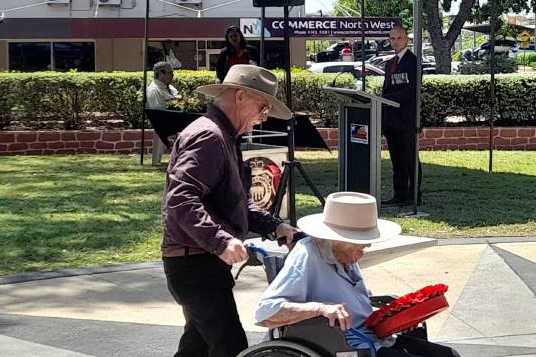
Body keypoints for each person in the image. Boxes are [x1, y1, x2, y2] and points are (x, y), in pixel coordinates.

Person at [161, 64, 299, 357]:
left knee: (198, 348)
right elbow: (180, 199)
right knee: (230, 347)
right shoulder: (209, 136)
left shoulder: (224, 136)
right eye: (263, 106)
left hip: (201, 263)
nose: (264, 116)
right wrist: (221, 241)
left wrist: (274, 227)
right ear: (240, 96)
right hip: (195, 265)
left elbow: (235, 201)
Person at [255, 192, 458, 357]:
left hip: (375, 337)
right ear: (337, 239)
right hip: (348, 345)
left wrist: (398, 314)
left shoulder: (344, 255)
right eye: (360, 245)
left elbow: (361, 302)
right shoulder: (307, 256)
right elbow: (266, 312)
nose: (364, 250)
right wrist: (320, 309)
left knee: (449, 354)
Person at [380, 25, 419, 206]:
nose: (396, 42)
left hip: (406, 119)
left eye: (399, 38)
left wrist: (389, 99)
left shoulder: (412, 62)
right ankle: (400, 193)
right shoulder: (390, 63)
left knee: (409, 158)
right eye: (392, 39)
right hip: (391, 120)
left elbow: (411, 90)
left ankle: (414, 195)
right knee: (396, 160)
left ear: (407, 40)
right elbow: (387, 88)